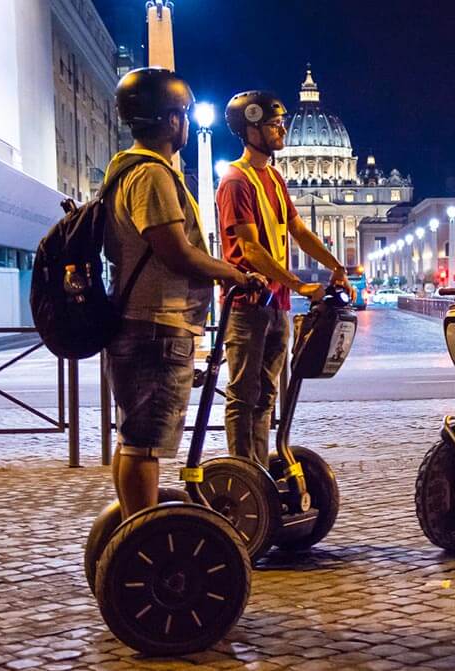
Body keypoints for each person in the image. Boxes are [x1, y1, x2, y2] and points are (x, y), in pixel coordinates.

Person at [105, 68, 254, 518]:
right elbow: (177, 251)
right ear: (170, 120)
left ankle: (133, 527)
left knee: (133, 440)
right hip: (158, 323)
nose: (187, 123)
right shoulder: (150, 175)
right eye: (184, 114)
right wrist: (232, 273)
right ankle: (141, 537)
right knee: (144, 445)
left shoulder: (123, 169)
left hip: (140, 320)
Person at [218, 90, 351, 466]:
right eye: (275, 126)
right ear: (252, 129)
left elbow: (298, 230)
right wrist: (301, 284)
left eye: (281, 124)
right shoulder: (235, 180)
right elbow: (250, 250)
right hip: (248, 304)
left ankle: (258, 469)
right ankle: (243, 474)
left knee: (267, 394)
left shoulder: (274, 178)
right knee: (244, 395)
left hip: (276, 303)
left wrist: (334, 265)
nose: (282, 131)